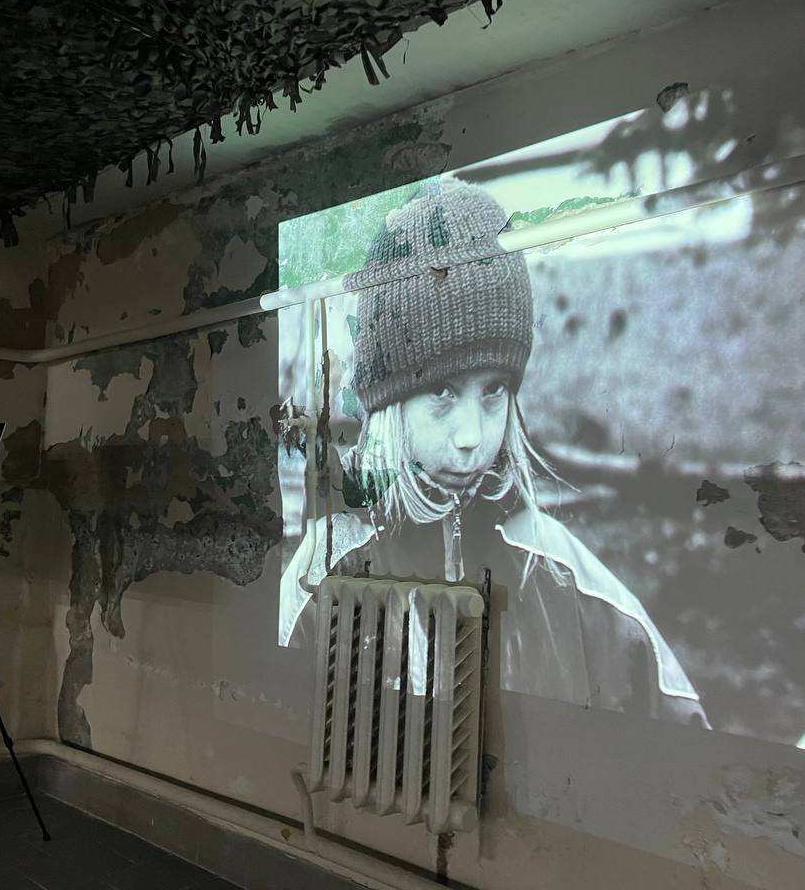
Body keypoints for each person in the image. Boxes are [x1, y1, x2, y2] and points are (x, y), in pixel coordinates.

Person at [280, 180, 708, 726]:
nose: (471, 434)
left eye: (494, 390)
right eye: (442, 391)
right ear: (389, 404)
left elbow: (686, 739)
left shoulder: (560, 571)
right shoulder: (325, 574)